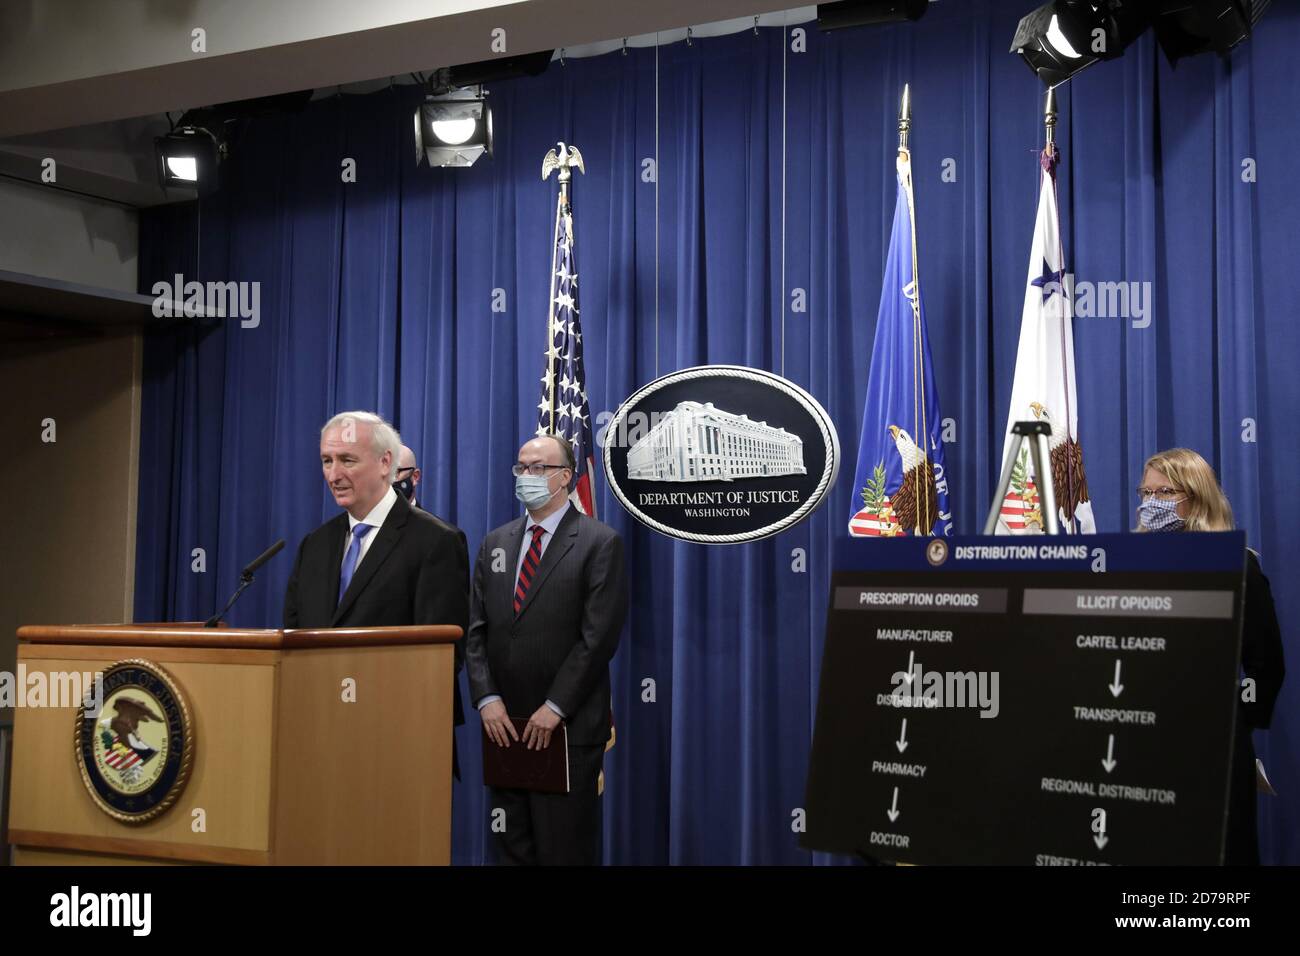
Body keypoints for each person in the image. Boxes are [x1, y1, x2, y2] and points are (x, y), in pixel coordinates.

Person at [466, 434, 627, 865]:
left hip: (567, 731)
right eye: (522, 467)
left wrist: (555, 706)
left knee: (563, 852)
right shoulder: (495, 543)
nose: (527, 476)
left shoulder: (599, 542)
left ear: (566, 477)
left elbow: (597, 639)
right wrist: (486, 698)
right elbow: (476, 631)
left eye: (539, 468)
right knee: (510, 851)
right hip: (505, 728)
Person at [283, 411, 469, 769]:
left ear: (386, 463)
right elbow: (294, 639)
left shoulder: (436, 542)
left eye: (347, 460)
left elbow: (441, 659)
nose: (333, 475)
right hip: (317, 739)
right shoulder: (314, 545)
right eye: (327, 461)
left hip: (398, 745)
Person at [1136, 448, 1285, 865]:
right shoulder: (1132, 567)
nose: (1151, 502)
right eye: (1145, 492)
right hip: (1143, 744)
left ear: (1196, 497)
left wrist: (1231, 722)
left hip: (1212, 750)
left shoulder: (1237, 567)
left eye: (1164, 492)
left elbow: (1266, 667)